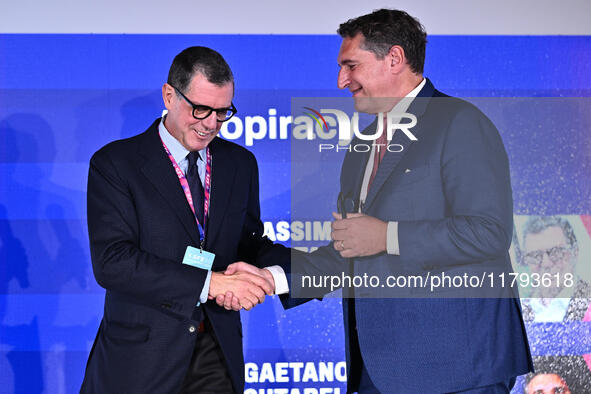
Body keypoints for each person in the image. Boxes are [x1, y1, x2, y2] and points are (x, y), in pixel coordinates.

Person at [224, 8, 534, 393]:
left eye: (351, 65)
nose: (341, 81)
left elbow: (488, 232)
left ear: (395, 58)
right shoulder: (362, 145)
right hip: (379, 370)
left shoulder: (459, 122)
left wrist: (387, 236)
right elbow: (352, 251)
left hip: (457, 370)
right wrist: (273, 278)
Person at [81, 46, 289, 393]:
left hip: (215, 354)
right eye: (201, 109)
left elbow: (248, 244)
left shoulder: (241, 164)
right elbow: (112, 262)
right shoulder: (116, 164)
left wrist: (294, 271)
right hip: (139, 359)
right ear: (169, 95)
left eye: (223, 112)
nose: (211, 124)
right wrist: (211, 284)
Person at [518, 216, 591, 321]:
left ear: (575, 252)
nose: (546, 263)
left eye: (556, 252)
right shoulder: (517, 311)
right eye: (535, 256)